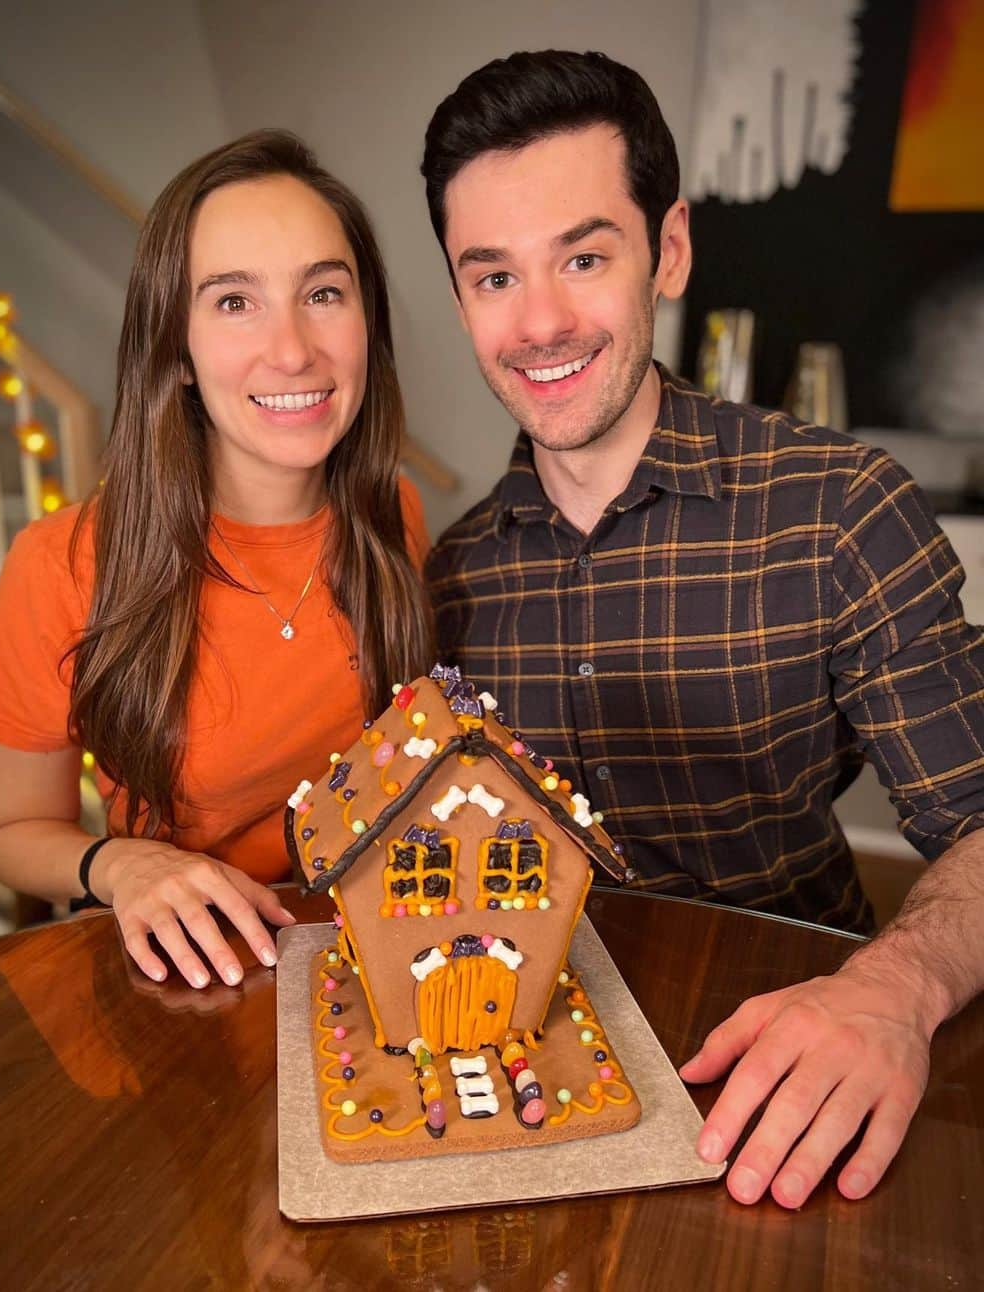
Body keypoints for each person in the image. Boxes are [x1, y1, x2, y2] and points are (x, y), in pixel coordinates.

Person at [420, 50, 984, 1208]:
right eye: (492, 277)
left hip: (804, 1079)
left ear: (667, 249)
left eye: (583, 257)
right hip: (535, 1101)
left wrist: (895, 988)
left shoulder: (840, 508)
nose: (538, 322)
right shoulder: (448, 578)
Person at [0, 129, 434, 990]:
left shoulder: (395, 514)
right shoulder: (62, 565)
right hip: (191, 983)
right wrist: (121, 865)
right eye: (233, 302)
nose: (292, 350)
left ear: (369, 322)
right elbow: (5, 831)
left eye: (323, 292)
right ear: (173, 348)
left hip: (365, 958)